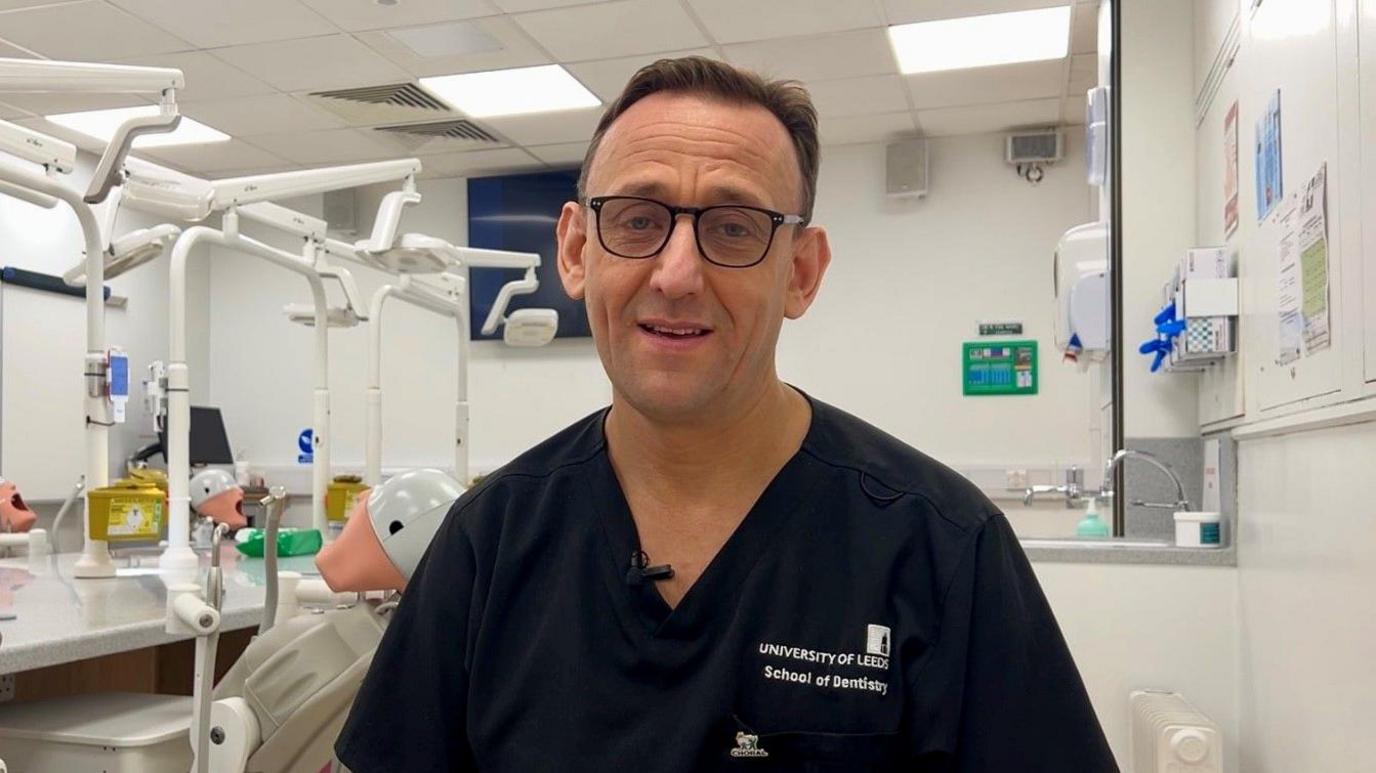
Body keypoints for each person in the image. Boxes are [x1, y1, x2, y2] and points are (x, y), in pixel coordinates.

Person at [336, 56, 1117, 772]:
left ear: (801, 273)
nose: (677, 275)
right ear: (576, 252)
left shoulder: (940, 547)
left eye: (734, 228)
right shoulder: (489, 543)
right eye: (638, 219)